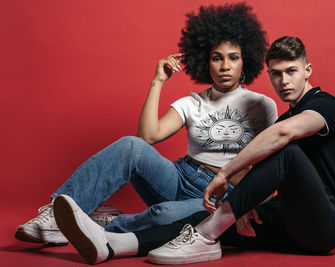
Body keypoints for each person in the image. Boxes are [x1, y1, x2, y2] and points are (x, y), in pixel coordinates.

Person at [50, 36, 335, 265]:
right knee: (193, 220)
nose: (283, 81)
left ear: (307, 70)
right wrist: (246, 204)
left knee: (284, 151)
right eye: (276, 73)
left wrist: (226, 174)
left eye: (291, 71)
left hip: (325, 225)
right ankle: (114, 243)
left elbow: (283, 136)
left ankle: (206, 234)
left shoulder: (325, 105)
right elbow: (148, 136)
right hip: (285, 221)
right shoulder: (280, 113)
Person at [15, 3, 277, 246]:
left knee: (163, 215)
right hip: (180, 177)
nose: (225, 66)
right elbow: (147, 137)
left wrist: (251, 200)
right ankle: (57, 216)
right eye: (217, 58)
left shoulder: (262, 105)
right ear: (205, 62)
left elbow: (275, 161)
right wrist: (158, 82)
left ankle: (94, 226)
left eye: (233, 57)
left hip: (221, 195)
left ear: (245, 61)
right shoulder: (193, 102)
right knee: (131, 146)